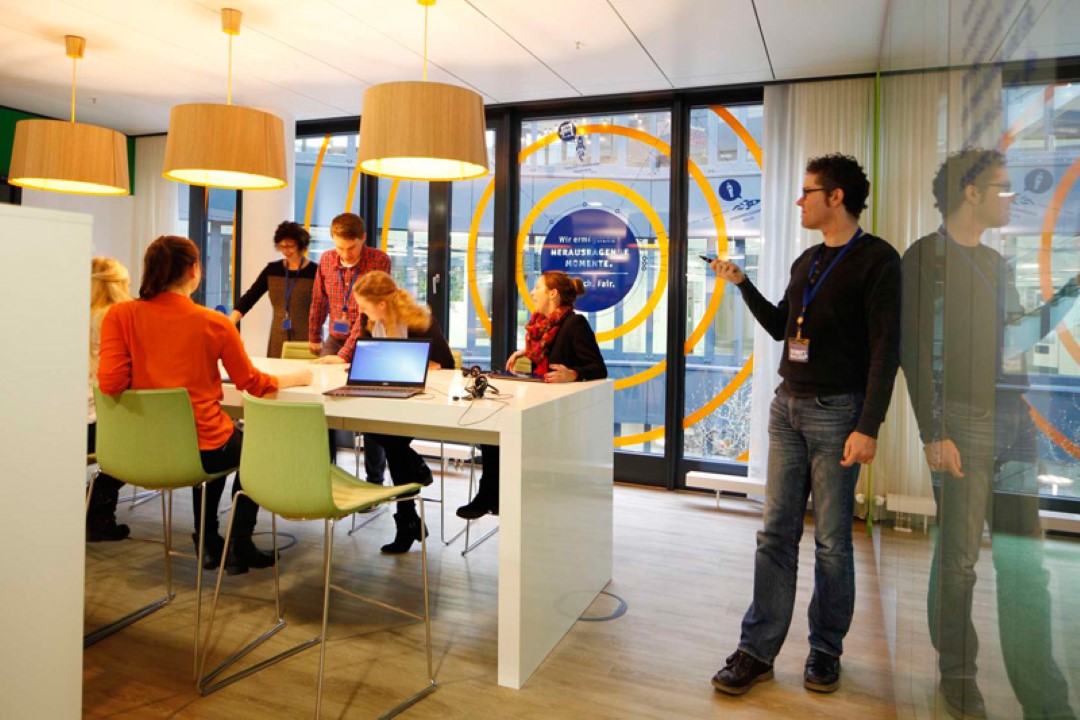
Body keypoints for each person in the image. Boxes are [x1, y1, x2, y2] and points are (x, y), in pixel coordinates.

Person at [709, 154, 901, 696]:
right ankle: (757, 650)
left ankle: (824, 650)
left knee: (834, 543)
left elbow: (887, 351)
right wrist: (742, 284)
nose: (800, 200)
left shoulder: (877, 261)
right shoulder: (806, 262)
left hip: (840, 414)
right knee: (775, 533)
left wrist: (870, 426)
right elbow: (780, 327)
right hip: (786, 406)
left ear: (836, 197)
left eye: (807, 191)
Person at [901, 149, 1077, 719]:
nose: (1010, 197)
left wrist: (1071, 292)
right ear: (970, 193)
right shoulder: (926, 258)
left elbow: (1014, 340)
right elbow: (915, 354)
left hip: (1013, 424)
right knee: (958, 562)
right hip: (961, 424)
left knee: (1026, 567)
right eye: (1002, 188)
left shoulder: (996, 265)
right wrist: (934, 431)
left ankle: (1044, 699)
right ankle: (957, 672)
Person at [98, 235, 313, 575]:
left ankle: (210, 540)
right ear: (194, 270)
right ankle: (236, 543)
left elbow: (110, 384)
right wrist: (297, 377)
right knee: (251, 447)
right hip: (202, 449)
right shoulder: (214, 323)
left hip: (141, 449)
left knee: (223, 438)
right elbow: (252, 384)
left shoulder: (119, 315)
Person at [314, 271, 454, 553]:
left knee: (391, 442)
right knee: (391, 442)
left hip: (418, 403)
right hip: (382, 399)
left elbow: (448, 366)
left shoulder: (420, 323)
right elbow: (370, 358)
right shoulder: (370, 324)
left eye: (364, 306)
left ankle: (408, 520)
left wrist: (428, 365)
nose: (360, 312)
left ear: (381, 305)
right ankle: (410, 508)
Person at [456, 270, 607, 520]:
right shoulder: (541, 325)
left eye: (538, 287)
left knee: (498, 431)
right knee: (493, 426)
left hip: (552, 413)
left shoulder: (575, 324)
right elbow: (544, 354)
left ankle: (492, 496)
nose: (533, 292)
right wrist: (524, 352)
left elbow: (598, 368)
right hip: (534, 400)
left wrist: (573, 374)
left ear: (553, 293)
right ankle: (491, 495)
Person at [308, 212, 391, 483]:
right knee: (321, 403)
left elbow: (366, 318)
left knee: (371, 412)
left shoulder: (378, 260)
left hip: (369, 340)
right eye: (340, 247)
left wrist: (343, 357)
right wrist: (313, 335)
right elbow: (319, 300)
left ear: (363, 238)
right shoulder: (326, 260)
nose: (346, 254)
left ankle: (374, 480)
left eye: (352, 247)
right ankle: (324, 473)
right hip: (335, 335)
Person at [86, 257, 134, 542]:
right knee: (151, 443)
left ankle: (97, 507)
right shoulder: (113, 317)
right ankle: (97, 505)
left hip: (68, 422)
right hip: (96, 423)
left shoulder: (73, 314)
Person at [230, 221, 318, 358]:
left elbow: (324, 305)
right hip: (278, 335)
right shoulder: (272, 270)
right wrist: (232, 320)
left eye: (290, 246)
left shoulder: (315, 272)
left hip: (307, 337)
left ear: (301, 245)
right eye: (282, 246)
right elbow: (250, 296)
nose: (286, 251)